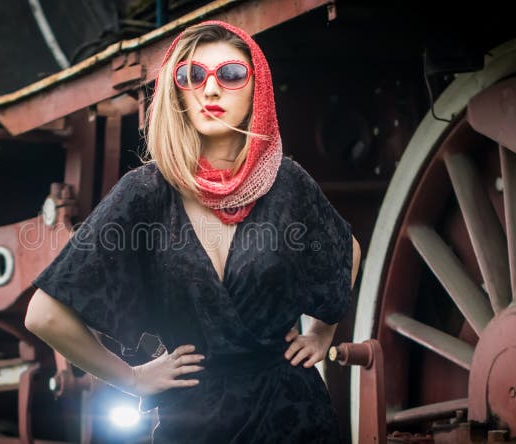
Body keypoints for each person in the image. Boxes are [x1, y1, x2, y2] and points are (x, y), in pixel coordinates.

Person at [25, 20, 361, 443]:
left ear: (258, 89)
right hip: (193, 424)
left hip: (294, 416)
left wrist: (321, 332)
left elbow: (345, 251)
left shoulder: (287, 182)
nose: (211, 89)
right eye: (192, 75)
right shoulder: (145, 192)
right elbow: (44, 314)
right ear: (176, 91)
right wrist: (130, 379)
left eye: (232, 74)